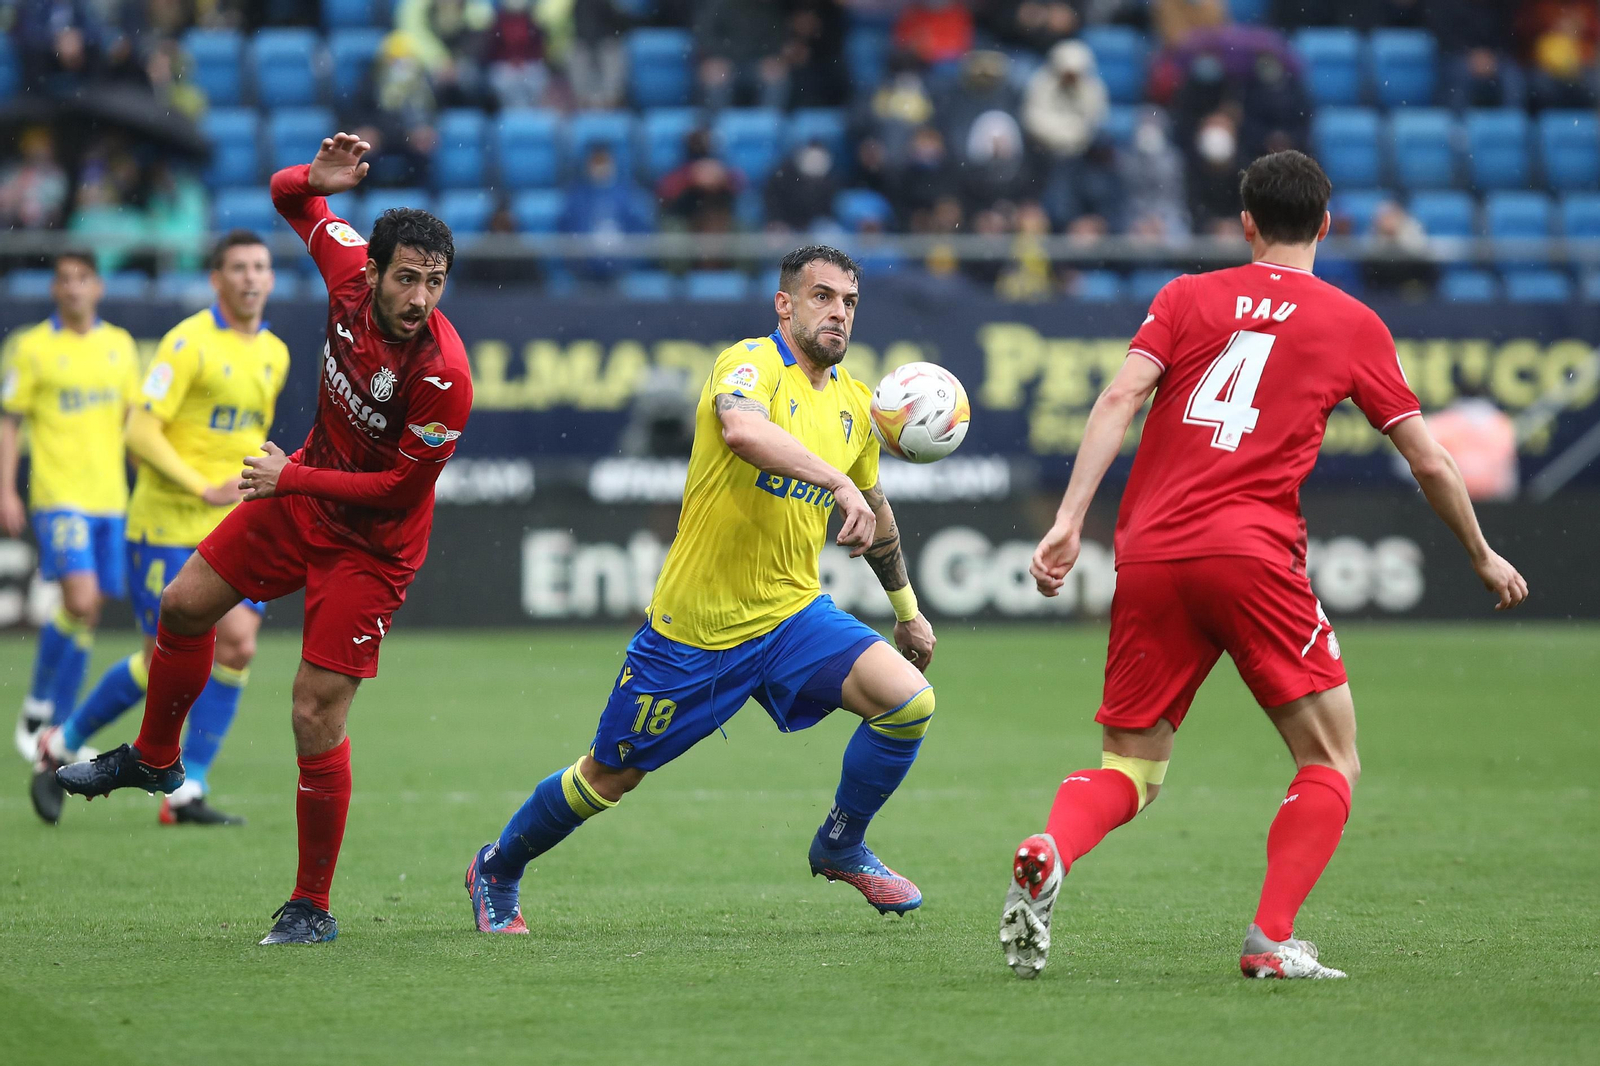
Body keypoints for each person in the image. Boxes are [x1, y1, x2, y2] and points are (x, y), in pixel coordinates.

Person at [998, 150, 1528, 981]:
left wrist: (1070, 522)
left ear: (1245, 223)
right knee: (1329, 758)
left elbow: (1117, 400)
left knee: (1130, 767)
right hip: (1251, 555)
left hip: (1150, 554)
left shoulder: (1184, 296)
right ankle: (1271, 939)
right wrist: (1482, 552)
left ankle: (1051, 844)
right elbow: (1429, 460)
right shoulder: (1352, 321)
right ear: (1325, 223)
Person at [57, 133, 475, 948]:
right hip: (300, 495)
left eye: (435, 282)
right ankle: (155, 757)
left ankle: (311, 905)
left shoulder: (444, 373)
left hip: (371, 548)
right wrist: (308, 179)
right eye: (409, 278)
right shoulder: (347, 268)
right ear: (377, 268)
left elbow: (398, 489)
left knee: (313, 711)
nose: (422, 297)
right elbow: (291, 200)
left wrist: (291, 479)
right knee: (182, 608)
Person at [465, 246, 938, 934]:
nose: (838, 312)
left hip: (790, 618)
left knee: (909, 704)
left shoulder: (854, 405)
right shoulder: (749, 363)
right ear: (786, 304)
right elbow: (742, 431)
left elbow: (877, 506)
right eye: (823, 296)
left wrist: (908, 612)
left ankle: (841, 844)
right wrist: (833, 483)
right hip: (696, 632)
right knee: (609, 777)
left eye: (849, 302)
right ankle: (498, 866)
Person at [31, 231, 290, 827]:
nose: (251, 278)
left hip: (230, 524)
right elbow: (140, 433)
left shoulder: (275, 353)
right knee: (162, 661)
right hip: (166, 522)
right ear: (216, 279)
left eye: (261, 267)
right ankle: (61, 741)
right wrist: (200, 484)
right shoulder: (187, 343)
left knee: (240, 644)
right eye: (238, 268)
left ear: (271, 279)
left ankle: (188, 788)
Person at [3, 253, 139, 764]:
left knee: (87, 613)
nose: (75, 288)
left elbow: (132, 426)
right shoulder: (31, 347)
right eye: (65, 280)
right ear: (55, 289)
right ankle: (37, 705)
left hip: (110, 498)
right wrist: (6, 491)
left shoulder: (120, 346)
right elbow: (9, 422)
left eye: (84, 278)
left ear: (98, 287)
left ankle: (57, 733)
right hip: (59, 495)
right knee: (79, 601)